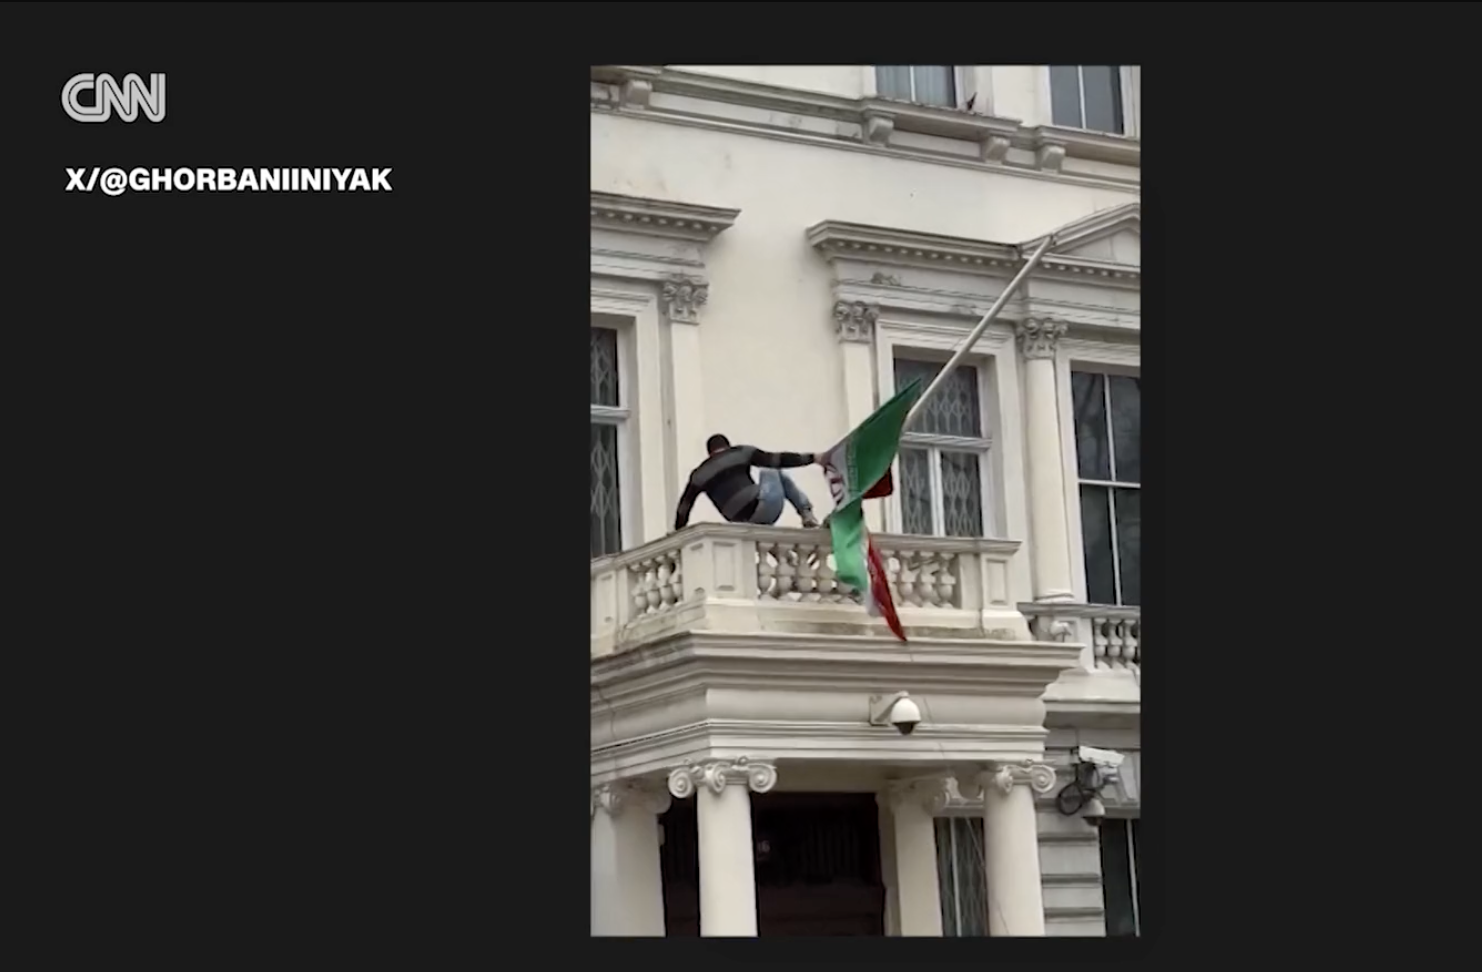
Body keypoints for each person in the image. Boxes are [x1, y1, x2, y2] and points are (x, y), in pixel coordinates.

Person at [674, 434, 820, 531]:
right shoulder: (740, 453)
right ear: (728, 446)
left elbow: (683, 508)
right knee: (771, 470)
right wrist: (812, 458)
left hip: (739, 522)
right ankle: (806, 513)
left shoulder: (699, 474)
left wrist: (677, 534)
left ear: (709, 453)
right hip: (763, 507)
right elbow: (778, 459)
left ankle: (788, 558)